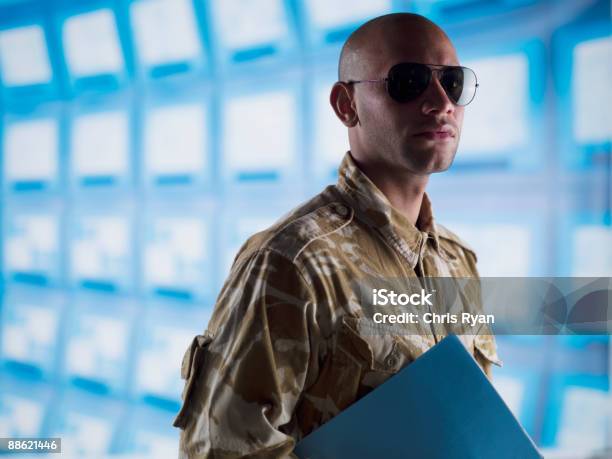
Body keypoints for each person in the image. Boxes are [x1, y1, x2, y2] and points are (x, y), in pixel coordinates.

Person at [174, 12, 501, 458]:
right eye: (409, 81)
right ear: (346, 105)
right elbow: (223, 452)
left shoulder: (459, 262)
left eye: (454, 82)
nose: (441, 102)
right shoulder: (292, 262)